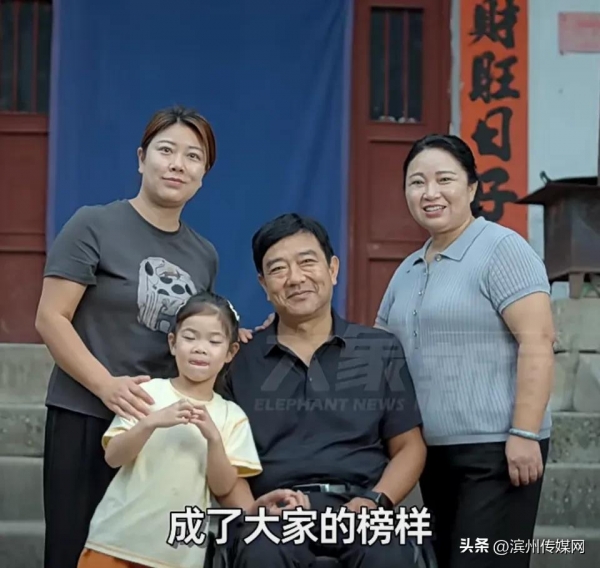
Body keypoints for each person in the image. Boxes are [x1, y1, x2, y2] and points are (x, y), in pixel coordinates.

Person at [36, 104, 248, 568]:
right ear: (141, 158)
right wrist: (106, 386)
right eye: (166, 150)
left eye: (193, 157)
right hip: (86, 413)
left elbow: (195, 326)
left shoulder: (203, 254)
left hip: (159, 427)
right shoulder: (93, 224)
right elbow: (51, 317)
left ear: (204, 175)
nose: (177, 165)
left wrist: (238, 336)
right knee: (74, 550)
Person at [374, 134, 555, 568]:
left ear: (472, 187)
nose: (430, 193)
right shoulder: (408, 268)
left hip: (497, 451)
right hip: (433, 455)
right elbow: (376, 348)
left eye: (444, 180)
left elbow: (538, 339)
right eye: (417, 182)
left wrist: (525, 433)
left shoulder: (502, 248)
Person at [216, 213, 427, 568]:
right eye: (278, 269)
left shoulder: (379, 349)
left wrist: (377, 501)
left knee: (387, 552)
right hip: (275, 513)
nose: (295, 278)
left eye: (307, 262)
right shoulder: (239, 361)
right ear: (264, 285)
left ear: (332, 269)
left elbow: (409, 447)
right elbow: (225, 462)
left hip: (360, 507)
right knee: (262, 553)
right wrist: (253, 511)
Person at [77, 291, 263, 568]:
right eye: (190, 337)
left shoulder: (231, 416)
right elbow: (113, 457)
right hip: (115, 543)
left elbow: (223, 488)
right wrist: (151, 421)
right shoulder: (147, 392)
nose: (200, 348)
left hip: (178, 556)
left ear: (230, 352)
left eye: (214, 341)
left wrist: (213, 439)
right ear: (173, 343)